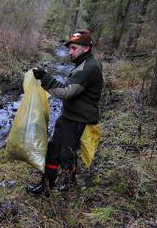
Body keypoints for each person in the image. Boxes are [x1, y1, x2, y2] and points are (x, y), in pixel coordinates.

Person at [27, 29, 104, 195]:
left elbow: (66, 92)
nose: (70, 52)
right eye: (70, 48)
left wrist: (45, 77)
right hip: (68, 116)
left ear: (86, 48)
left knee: (66, 155)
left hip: (78, 120)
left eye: (74, 48)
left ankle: (69, 185)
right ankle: (46, 186)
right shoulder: (82, 64)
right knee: (53, 151)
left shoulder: (89, 68)